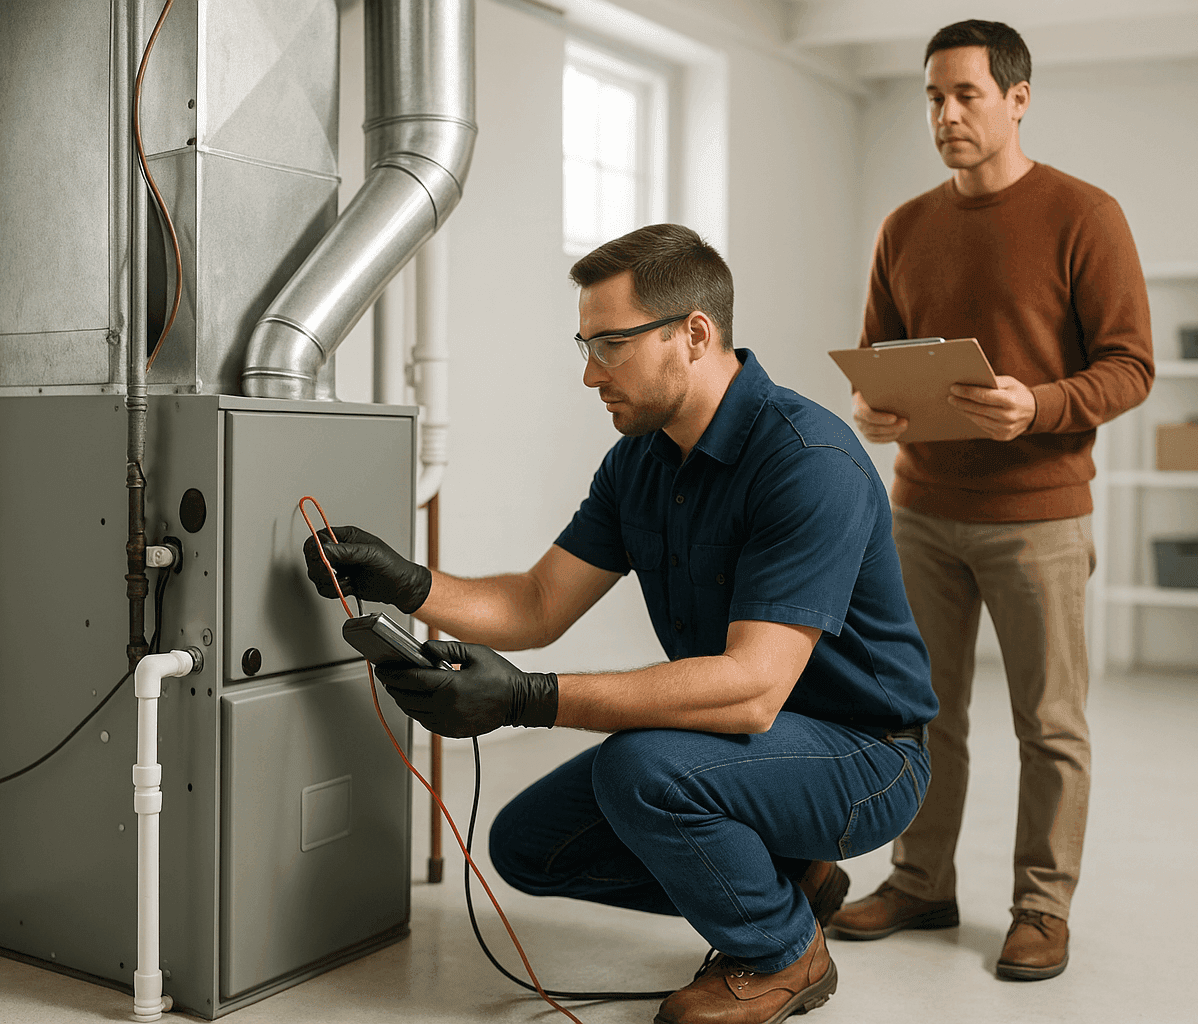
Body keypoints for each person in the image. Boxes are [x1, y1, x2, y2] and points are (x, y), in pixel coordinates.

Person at [303, 223, 937, 1024]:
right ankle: (794, 876)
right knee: (529, 845)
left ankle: (782, 951)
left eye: (610, 345)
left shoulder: (807, 461)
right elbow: (537, 604)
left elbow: (751, 691)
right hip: (753, 747)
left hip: (865, 755)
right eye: (584, 344)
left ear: (694, 335)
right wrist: (409, 584)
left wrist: (527, 699)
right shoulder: (641, 460)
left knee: (643, 769)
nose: (588, 374)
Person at [831, 20, 1154, 982]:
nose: (946, 114)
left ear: (1017, 98)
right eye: (933, 96)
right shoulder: (904, 226)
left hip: (1042, 516)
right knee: (918, 712)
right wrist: (870, 411)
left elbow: (1132, 367)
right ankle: (921, 880)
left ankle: (1041, 908)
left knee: (1049, 723)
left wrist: (1040, 405)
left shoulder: (1085, 215)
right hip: (920, 512)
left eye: (967, 94)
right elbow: (877, 362)